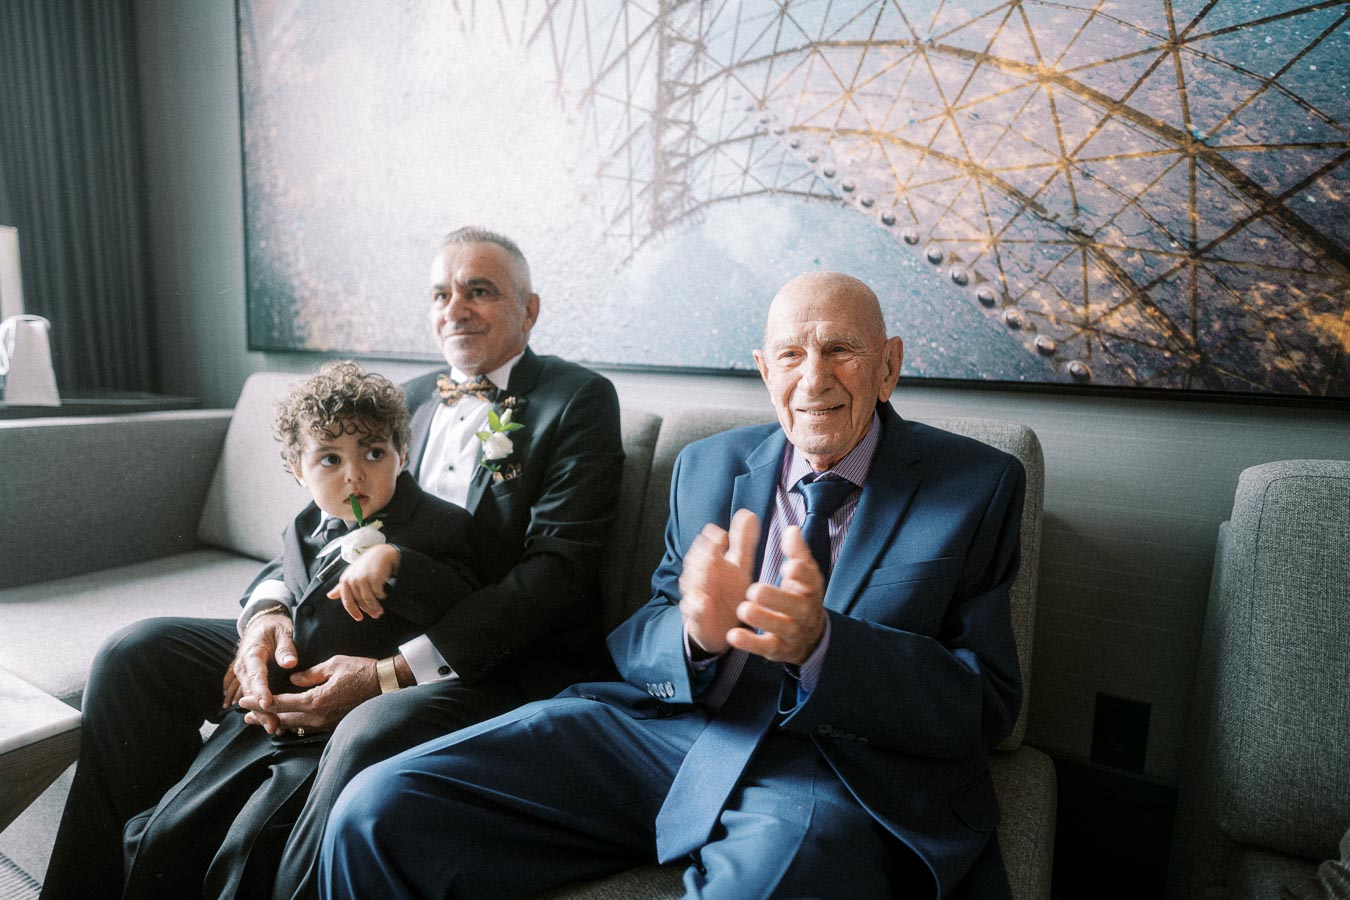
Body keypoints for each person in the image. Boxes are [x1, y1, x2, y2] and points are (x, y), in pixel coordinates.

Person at [319, 271, 1026, 899]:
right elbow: (646, 630)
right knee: (378, 807)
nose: (814, 379)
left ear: (889, 365)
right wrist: (694, 635)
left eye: (840, 350)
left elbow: (987, 705)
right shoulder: (708, 465)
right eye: (790, 355)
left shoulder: (976, 484)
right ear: (764, 369)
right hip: (662, 735)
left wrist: (824, 646)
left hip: (824, 767)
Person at [41, 227, 625, 900]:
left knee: (365, 725)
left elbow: (555, 572)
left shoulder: (577, 399)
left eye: (480, 291)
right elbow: (319, 526)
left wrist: (389, 674)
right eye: (441, 294)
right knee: (137, 654)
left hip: (487, 660)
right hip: (344, 628)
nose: (455, 309)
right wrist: (266, 614)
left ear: (530, 309)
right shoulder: (406, 399)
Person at [121, 360, 479, 896]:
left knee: (248, 851)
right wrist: (266, 619)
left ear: (402, 455)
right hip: (271, 714)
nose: (354, 475)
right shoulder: (305, 523)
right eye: (330, 459)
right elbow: (287, 582)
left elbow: (466, 602)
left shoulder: (443, 523)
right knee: (165, 832)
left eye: (373, 453)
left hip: (342, 726)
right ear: (296, 467)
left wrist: (398, 563)